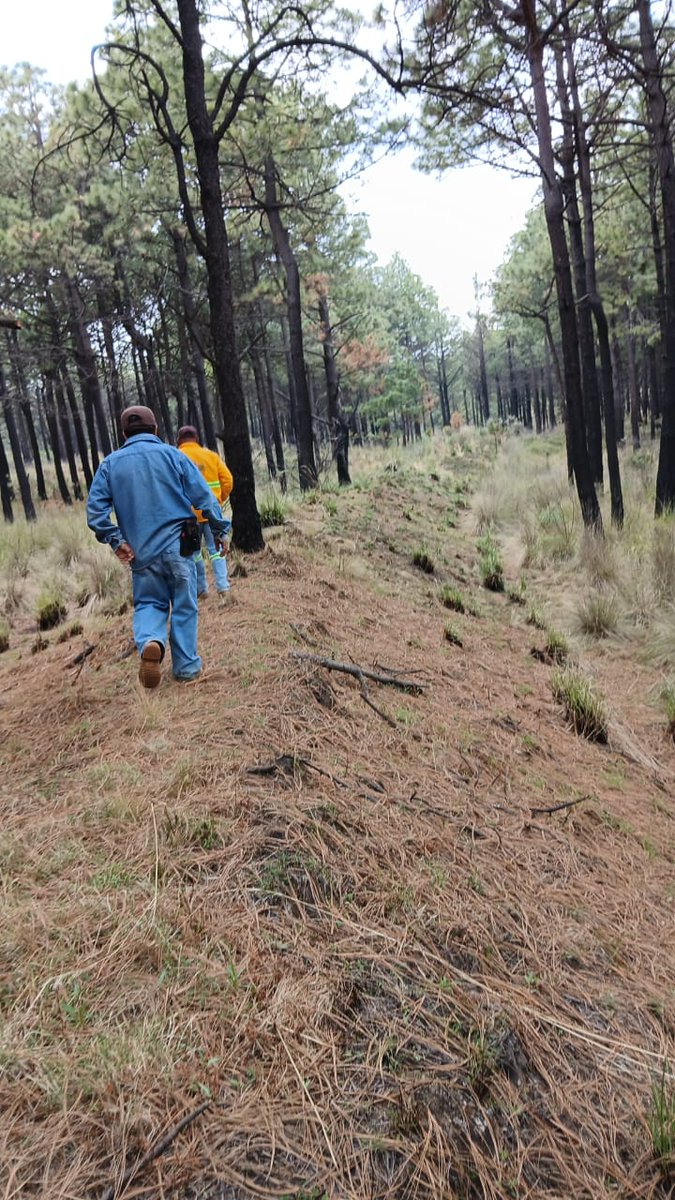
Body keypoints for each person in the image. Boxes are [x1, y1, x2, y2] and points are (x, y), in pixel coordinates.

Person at [86, 405, 231, 688]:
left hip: (140, 552)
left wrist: (116, 540)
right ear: (155, 430)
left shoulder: (110, 465)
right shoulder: (173, 455)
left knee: (149, 602)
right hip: (180, 546)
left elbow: (95, 513)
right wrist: (220, 529)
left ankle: (151, 640)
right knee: (185, 604)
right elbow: (203, 496)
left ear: (124, 433)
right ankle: (187, 667)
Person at [176, 425, 234, 599]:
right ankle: (223, 587)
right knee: (215, 550)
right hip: (210, 512)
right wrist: (219, 500)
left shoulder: (175, 457)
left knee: (194, 553)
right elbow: (228, 480)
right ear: (197, 439)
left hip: (187, 516)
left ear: (178, 440)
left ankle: (201, 590)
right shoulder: (211, 456)